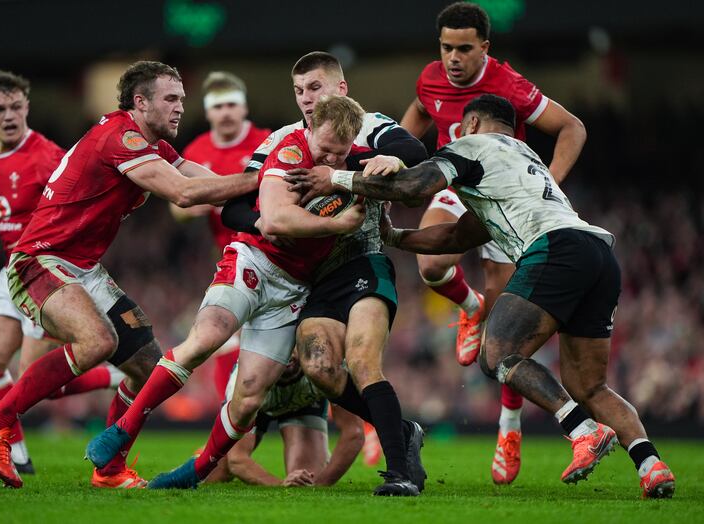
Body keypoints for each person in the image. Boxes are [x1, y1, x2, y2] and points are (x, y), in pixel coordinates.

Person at [285, 94, 676, 500]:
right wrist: (397, 237)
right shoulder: (524, 160)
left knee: (497, 354)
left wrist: (336, 178)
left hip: (555, 250)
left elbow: (414, 187)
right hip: (599, 255)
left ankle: (582, 430)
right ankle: (651, 465)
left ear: (470, 123)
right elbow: (460, 234)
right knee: (590, 386)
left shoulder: (469, 147)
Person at [0, 61, 259, 489]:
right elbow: (184, 192)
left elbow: (197, 174)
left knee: (150, 370)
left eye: (181, 99)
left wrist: (257, 186)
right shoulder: (120, 137)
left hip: (83, 269)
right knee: (97, 340)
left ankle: (110, 468)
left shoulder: (150, 142)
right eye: (170, 99)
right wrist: (258, 179)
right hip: (40, 260)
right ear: (141, 102)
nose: (179, 108)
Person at [84, 95, 366, 493]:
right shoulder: (288, 149)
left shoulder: (352, 160)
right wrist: (338, 225)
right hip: (253, 261)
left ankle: (194, 473)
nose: (333, 162)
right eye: (325, 150)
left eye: (342, 153)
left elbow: (403, 160)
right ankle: (124, 431)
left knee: (250, 397)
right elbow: (274, 222)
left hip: (295, 289)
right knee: (204, 339)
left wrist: (392, 161)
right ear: (308, 131)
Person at [221, 51, 429, 495]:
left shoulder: (370, 124)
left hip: (364, 259)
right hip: (313, 278)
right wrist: (267, 223)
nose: (306, 99)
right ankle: (403, 431)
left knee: (361, 358)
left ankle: (400, 473)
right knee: (319, 368)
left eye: (315, 88)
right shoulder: (283, 137)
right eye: (299, 91)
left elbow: (412, 153)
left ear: (341, 88)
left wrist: (340, 173)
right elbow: (236, 205)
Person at [399, 1, 587, 484]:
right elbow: (421, 111)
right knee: (431, 266)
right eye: (446, 48)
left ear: (485, 47)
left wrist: (551, 183)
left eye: (464, 48)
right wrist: (395, 150)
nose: (453, 58)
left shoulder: (510, 85)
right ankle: (469, 305)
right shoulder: (430, 77)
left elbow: (572, 128)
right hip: (458, 188)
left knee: (508, 337)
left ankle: (509, 426)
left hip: (505, 198)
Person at [0, 71, 122, 475]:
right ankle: (13, 452)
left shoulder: (51, 157)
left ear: (27, 107)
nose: (9, 115)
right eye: (0, 108)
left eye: (16, 106)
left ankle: (112, 375)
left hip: (48, 270)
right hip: (12, 269)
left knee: (36, 382)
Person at [172, 71, 272, 400]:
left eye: (232, 104)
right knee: (223, 342)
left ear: (244, 108)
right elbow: (177, 205)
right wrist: (191, 207)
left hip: (273, 254)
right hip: (232, 258)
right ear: (208, 112)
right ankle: (229, 430)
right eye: (219, 106)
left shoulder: (267, 140)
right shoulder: (196, 150)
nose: (226, 112)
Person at [204, 354, 364, 487]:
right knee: (218, 471)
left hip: (303, 405)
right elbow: (237, 460)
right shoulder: (246, 377)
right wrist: (280, 484)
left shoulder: (327, 365)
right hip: (257, 400)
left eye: (291, 342)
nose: (287, 352)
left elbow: (353, 433)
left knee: (306, 479)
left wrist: (320, 484)